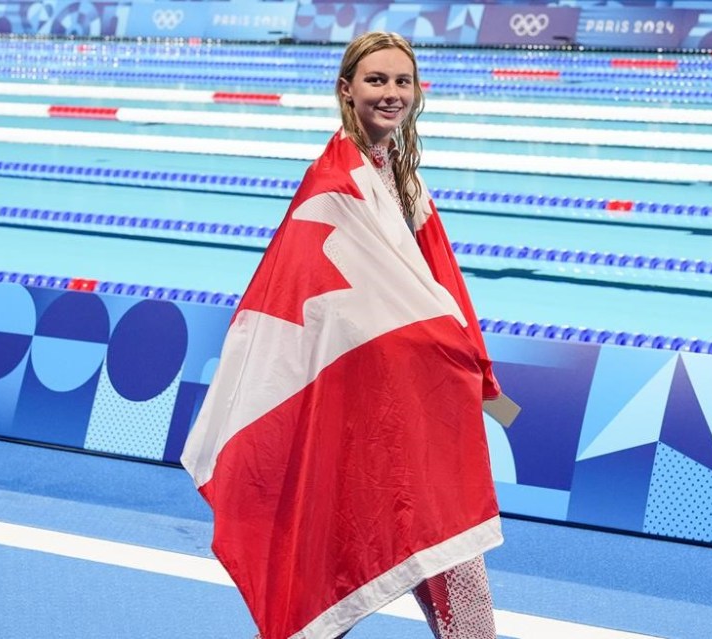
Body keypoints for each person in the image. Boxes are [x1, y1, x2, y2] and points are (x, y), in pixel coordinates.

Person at [182, 31, 505, 639]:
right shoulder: (334, 186)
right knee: (344, 543)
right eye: (376, 81)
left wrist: (465, 365)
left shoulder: (402, 181)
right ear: (346, 90)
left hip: (409, 396)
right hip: (352, 396)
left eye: (401, 81)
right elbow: (315, 303)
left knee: (442, 536)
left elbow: (436, 288)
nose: (390, 93)